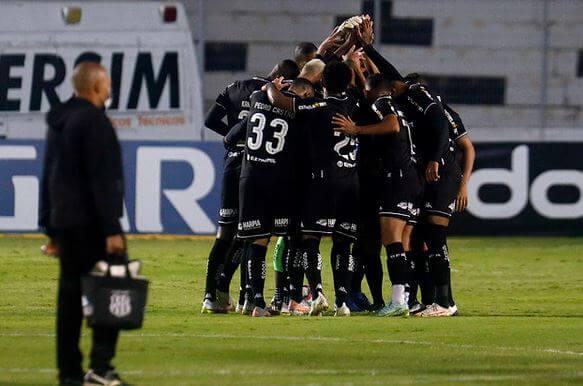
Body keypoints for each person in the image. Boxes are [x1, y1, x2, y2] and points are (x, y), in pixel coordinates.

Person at [39, 62, 128, 386]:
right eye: (107, 85)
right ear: (95, 87)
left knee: (69, 301)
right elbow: (102, 181)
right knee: (112, 292)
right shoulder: (95, 122)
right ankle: (101, 368)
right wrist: (111, 229)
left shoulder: (59, 122)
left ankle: (69, 373)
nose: (110, 90)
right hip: (93, 226)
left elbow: (48, 175)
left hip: (65, 223)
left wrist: (49, 227)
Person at [201, 59, 300, 314]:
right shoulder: (275, 98)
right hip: (257, 166)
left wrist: (233, 136)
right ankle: (248, 297)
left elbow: (211, 121)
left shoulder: (235, 87)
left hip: (232, 163)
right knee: (252, 236)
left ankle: (210, 295)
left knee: (225, 233)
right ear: (283, 79)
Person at [265, 61, 360, 317]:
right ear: (349, 82)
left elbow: (281, 102)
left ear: (323, 83)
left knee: (311, 238)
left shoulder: (318, 106)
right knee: (344, 244)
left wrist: (271, 87)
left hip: (323, 181)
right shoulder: (355, 103)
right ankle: (342, 302)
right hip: (351, 183)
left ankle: (317, 293)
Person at [333, 74, 423, 317]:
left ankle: (398, 303)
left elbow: (391, 125)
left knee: (391, 242)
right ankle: (403, 299)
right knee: (403, 246)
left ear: (373, 91)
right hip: (413, 179)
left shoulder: (382, 103)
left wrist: (356, 129)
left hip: (396, 180)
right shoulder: (400, 107)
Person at [225, 78, 315, 317]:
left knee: (256, 241)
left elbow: (231, 136)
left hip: (250, 177)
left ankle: (255, 301)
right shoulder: (296, 111)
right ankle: (290, 297)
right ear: (304, 94)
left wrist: (269, 87)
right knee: (290, 236)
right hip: (277, 179)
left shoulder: (256, 98)